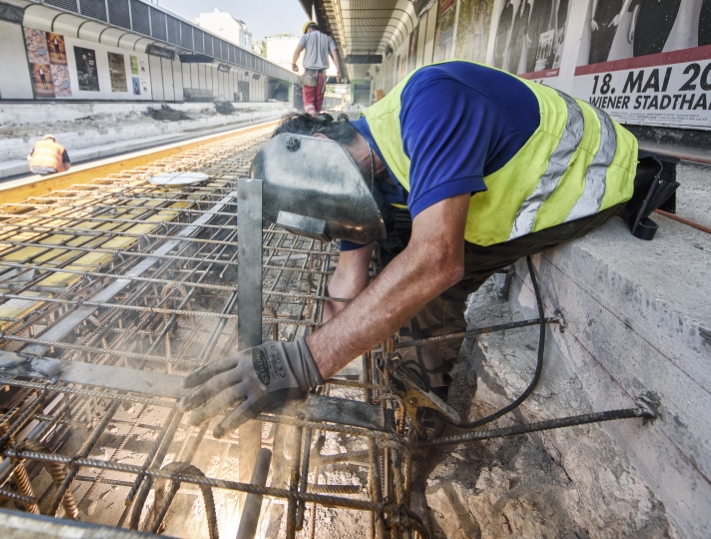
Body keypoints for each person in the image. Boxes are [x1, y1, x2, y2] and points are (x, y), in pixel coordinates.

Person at [179, 61, 645, 439]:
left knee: (429, 292)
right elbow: (347, 281)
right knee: (394, 253)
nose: (335, 221)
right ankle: (396, 374)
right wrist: (311, 369)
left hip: (591, 178)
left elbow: (436, 261)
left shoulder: (434, 105)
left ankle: (423, 429)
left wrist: (304, 361)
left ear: (320, 145)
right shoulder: (361, 173)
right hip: (520, 185)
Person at [291, 21, 343, 114]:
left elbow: (297, 50)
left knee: (309, 102)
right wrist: (338, 70)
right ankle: (316, 121)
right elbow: (335, 54)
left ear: (308, 29)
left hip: (309, 74)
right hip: (322, 76)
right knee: (318, 103)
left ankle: (312, 119)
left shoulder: (306, 36)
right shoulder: (328, 39)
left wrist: (294, 63)